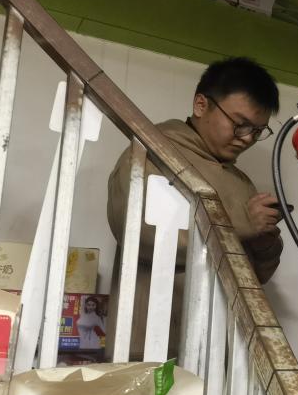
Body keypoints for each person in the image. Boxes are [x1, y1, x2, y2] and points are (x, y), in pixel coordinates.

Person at [106, 57, 283, 359]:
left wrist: (264, 242)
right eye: (240, 124)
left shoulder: (241, 181)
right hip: (154, 346)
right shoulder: (154, 153)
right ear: (201, 105)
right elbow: (139, 232)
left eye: (257, 131)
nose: (246, 139)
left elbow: (256, 276)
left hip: (223, 349)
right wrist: (240, 225)